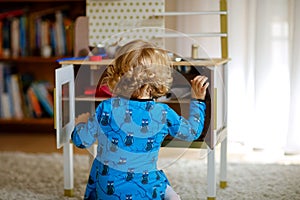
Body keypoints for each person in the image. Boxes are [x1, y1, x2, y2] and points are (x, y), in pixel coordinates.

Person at [71, 39, 209, 200]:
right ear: (160, 78)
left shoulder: (106, 108)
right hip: (147, 191)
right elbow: (192, 132)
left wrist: (80, 124)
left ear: (118, 74)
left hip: (106, 192)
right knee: (161, 182)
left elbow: (80, 141)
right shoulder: (163, 113)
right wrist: (198, 100)